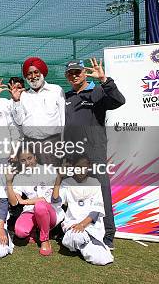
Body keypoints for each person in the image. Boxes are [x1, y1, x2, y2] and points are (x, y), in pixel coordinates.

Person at [64, 58, 125, 249]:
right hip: (72, 155)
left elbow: (118, 100)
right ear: (67, 77)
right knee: (72, 192)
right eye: (70, 73)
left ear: (84, 73)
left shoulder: (97, 91)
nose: (74, 76)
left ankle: (108, 235)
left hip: (95, 153)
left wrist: (105, 80)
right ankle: (70, 229)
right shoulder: (66, 97)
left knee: (103, 191)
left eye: (77, 72)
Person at [52, 156, 114, 265]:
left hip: (91, 225)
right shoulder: (67, 182)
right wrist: (59, 178)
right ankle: (84, 244)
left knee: (101, 259)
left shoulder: (95, 183)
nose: (81, 170)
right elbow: (55, 200)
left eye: (84, 167)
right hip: (72, 224)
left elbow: (96, 211)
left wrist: (81, 225)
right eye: (78, 167)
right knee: (74, 238)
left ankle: (88, 243)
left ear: (88, 167)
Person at [6, 150, 63, 256]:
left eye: (29, 158)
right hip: (31, 211)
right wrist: (9, 182)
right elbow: (14, 203)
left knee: (40, 206)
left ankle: (45, 240)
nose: (27, 163)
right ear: (19, 162)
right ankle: (36, 229)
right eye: (23, 160)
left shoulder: (50, 171)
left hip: (51, 212)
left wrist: (24, 201)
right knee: (20, 232)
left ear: (35, 157)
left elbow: (44, 200)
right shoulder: (19, 177)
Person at [11, 57, 65, 166]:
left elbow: (63, 118)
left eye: (36, 72)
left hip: (51, 144)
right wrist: (16, 101)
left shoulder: (56, 90)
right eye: (29, 74)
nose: (33, 76)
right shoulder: (24, 95)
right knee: (30, 178)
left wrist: (62, 144)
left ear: (42, 73)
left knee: (51, 177)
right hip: (29, 144)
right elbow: (19, 121)